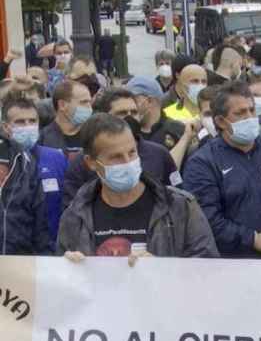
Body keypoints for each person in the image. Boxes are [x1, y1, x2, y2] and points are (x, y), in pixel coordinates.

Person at [58, 114, 217, 260]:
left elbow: (206, 268)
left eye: (132, 152)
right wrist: (71, 270)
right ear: (91, 163)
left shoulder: (180, 207)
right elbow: (63, 281)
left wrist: (164, 271)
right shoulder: (75, 217)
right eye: (116, 157)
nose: (127, 162)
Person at [182, 81, 261, 258]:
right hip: (233, 264)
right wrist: (252, 239)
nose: (249, 117)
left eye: (251, 110)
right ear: (220, 121)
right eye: (240, 113)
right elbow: (205, 219)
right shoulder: (202, 163)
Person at [62, 87, 179, 208]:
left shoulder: (159, 153)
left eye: (134, 112)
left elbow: (176, 198)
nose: (129, 118)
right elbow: (73, 210)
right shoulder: (85, 161)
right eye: (122, 113)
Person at [2, 95, 67, 247]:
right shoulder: (3, 164)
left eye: (32, 121)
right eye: (20, 122)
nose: (28, 126)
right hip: (13, 250)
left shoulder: (56, 157)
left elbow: (68, 203)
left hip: (51, 248)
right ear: (6, 127)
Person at [126, 76, 192, 167]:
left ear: (149, 101)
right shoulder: (128, 131)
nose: (128, 104)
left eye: (133, 99)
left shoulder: (178, 130)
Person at [41, 80, 91, 155]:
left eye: (90, 102)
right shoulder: (43, 140)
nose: (89, 107)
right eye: (83, 102)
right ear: (62, 105)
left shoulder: (94, 136)